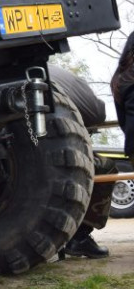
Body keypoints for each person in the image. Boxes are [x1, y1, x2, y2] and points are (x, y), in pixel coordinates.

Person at [49, 64, 111, 259]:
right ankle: (80, 236)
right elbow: (97, 113)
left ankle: (70, 237)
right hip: (50, 151)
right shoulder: (64, 76)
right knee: (104, 167)